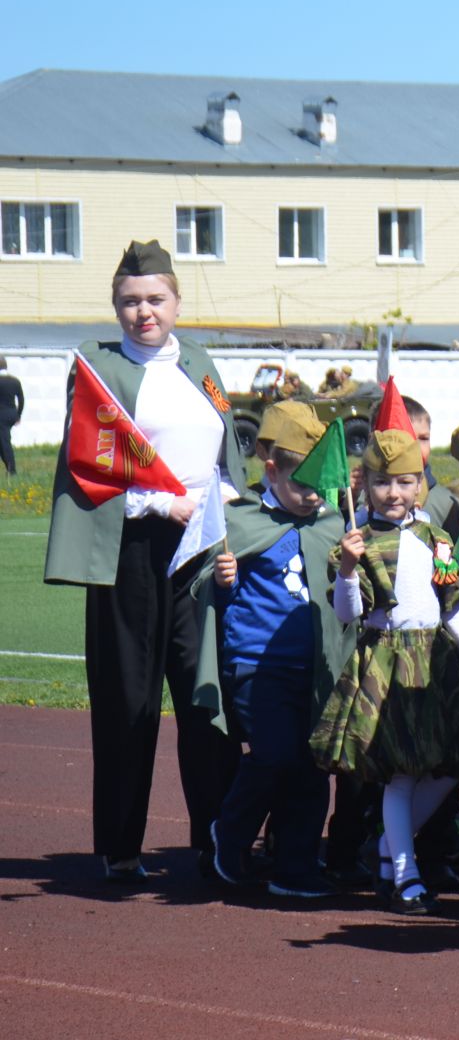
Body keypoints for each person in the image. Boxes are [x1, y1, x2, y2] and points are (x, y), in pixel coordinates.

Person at [45, 240, 245, 883]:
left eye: (155, 299)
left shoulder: (201, 362)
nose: (143, 313)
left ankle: (217, 844)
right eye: (130, 302)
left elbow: (223, 455)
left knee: (206, 699)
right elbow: (91, 465)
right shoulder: (96, 369)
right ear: (115, 306)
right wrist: (165, 506)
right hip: (130, 551)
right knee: (128, 701)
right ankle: (121, 851)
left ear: (177, 302)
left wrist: (222, 509)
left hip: (201, 550)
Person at [309, 427, 459, 915]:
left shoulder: (436, 537)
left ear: (420, 485)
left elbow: (453, 609)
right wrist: (347, 568)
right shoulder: (359, 540)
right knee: (401, 777)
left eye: (406, 481)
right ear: (365, 484)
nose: (394, 493)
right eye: (384, 482)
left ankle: (388, 849)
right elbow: (348, 615)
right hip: (386, 663)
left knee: (451, 767)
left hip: (437, 663)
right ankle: (405, 876)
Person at [202, 408, 352, 899]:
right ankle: (230, 830)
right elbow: (205, 591)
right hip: (259, 666)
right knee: (273, 755)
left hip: (316, 670)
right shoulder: (241, 521)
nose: (312, 495)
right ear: (271, 471)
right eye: (301, 484)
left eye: (320, 485)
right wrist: (221, 579)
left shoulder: (332, 527)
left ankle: (296, 867)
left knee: (311, 770)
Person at [0, 355, 23, 475]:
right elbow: (21, 398)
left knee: (4, 442)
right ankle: (9, 467)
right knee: (3, 440)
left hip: (1, 415)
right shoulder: (15, 381)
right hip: (11, 414)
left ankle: (12, 470)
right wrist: (18, 415)